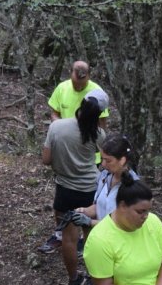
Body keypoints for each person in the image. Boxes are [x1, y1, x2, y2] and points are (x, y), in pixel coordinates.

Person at [41, 91, 107, 285]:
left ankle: (74, 281)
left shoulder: (57, 127)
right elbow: (105, 161)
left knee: (68, 238)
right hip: (90, 190)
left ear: (81, 103)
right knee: (91, 236)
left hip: (65, 189)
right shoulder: (98, 134)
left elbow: (46, 159)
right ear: (100, 113)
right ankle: (94, 280)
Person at [40, 61, 110, 252]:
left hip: (76, 171)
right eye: (75, 77)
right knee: (79, 224)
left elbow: (46, 159)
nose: (79, 82)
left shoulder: (96, 92)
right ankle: (70, 242)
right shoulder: (62, 89)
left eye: (83, 78)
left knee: (73, 231)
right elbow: (54, 111)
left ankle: (76, 264)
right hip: (85, 175)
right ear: (70, 72)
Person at [77, 133, 138, 226]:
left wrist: (90, 222)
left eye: (108, 160)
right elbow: (101, 206)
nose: (103, 164)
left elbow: (122, 224)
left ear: (122, 160)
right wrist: (82, 212)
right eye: (102, 159)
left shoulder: (134, 187)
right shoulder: (105, 176)